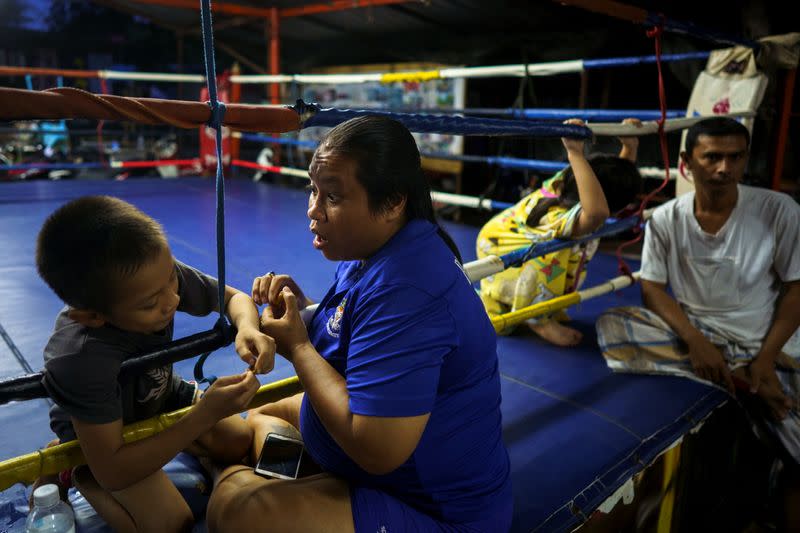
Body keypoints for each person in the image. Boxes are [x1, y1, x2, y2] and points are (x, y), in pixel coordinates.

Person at [206, 115, 513, 532]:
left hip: (431, 509)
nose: (313, 209)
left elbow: (377, 450)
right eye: (313, 190)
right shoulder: (379, 247)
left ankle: (268, 479)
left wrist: (298, 348)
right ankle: (297, 476)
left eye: (332, 196)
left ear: (392, 202)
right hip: (371, 466)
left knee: (234, 507)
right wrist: (304, 310)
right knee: (259, 414)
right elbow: (356, 331)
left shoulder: (408, 288)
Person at [595, 116, 800, 529]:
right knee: (614, 326)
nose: (725, 168)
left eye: (735, 157)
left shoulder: (778, 210)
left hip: (767, 340)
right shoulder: (667, 218)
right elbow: (651, 286)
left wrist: (764, 358)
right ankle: (740, 377)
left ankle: (748, 376)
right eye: (713, 158)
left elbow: (797, 289)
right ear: (688, 162)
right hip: (702, 338)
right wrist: (694, 340)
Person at [35, 195, 275, 533]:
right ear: (92, 316)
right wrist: (203, 416)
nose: (173, 300)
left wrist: (248, 329)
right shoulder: (79, 359)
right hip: (104, 437)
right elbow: (115, 469)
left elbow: (235, 298)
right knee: (169, 523)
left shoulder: (153, 277)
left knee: (237, 440)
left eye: (171, 280)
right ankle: (75, 470)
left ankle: (171, 445)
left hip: (157, 393)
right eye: (151, 303)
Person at [476, 118, 643, 346]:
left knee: (557, 253)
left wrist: (629, 147)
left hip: (499, 236)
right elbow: (599, 210)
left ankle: (523, 301)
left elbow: (610, 186)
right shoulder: (567, 217)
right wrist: (575, 152)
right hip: (499, 248)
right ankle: (537, 319)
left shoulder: (568, 183)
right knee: (550, 258)